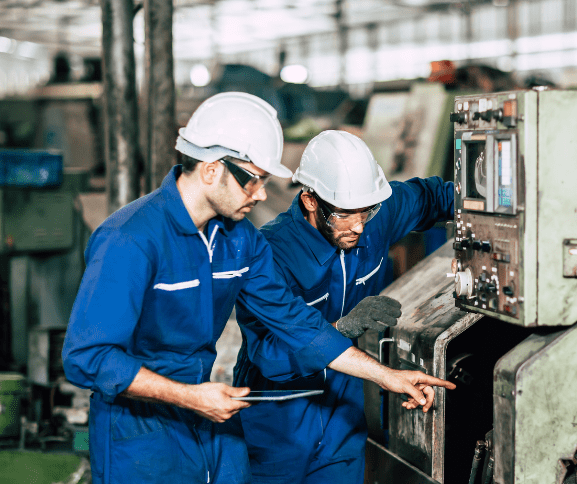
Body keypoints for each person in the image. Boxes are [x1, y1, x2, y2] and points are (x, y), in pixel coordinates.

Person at [62, 94, 455, 484]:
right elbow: (87, 356)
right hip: (140, 430)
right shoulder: (130, 239)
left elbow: (296, 323)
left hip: (209, 418)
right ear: (212, 169)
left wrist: (387, 375)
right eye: (253, 179)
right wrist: (188, 396)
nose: (263, 194)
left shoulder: (240, 242)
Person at [232, 130, 456, 483]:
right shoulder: (271, 253)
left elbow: (434, 197)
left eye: (366, 212)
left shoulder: (369, 214)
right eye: (344, 215)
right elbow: (269, 356)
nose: (358, 226)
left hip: (343, 408)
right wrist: (342, 329)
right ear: (310, 200)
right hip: (277, 416)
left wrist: (497, 197)